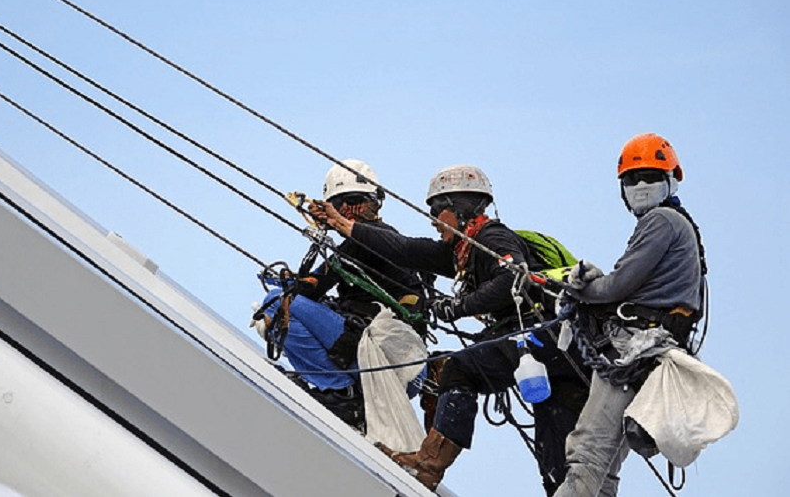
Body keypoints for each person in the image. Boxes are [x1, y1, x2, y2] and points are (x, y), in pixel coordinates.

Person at [312, 165, 591, 494]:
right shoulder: (461, 252)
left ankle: (429, 463)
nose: (432, 220)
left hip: (543, 336)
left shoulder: (492, 238)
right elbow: (404, 249)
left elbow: (510, 278)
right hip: (559, 355)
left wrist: (460, 307)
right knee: (554, 454)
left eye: (435, 210)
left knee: (459, 368)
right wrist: (344, 225)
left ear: (460, 208)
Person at [554, 133, 706, 497]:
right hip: (651, 351)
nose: (640, 185)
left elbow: (616, 288)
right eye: (632, 178)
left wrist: (579, 288)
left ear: (670, 181)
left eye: (650, 177)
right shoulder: (679, 226)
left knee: (588, 451)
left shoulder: (662, 221)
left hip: (634, 349)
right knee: (606, 465)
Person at [255, 159, 428, 432]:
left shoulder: (373, 239)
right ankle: (345, 394)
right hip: (400, 368)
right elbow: (315, 282)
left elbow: (313, 285)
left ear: (375, 204)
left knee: (278, 303)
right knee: (291, 303)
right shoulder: (365, 246)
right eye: (338, 205)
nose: (347, 211)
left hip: (390, 359)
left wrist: (296, 286)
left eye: (355, 201)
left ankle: (340, 393)